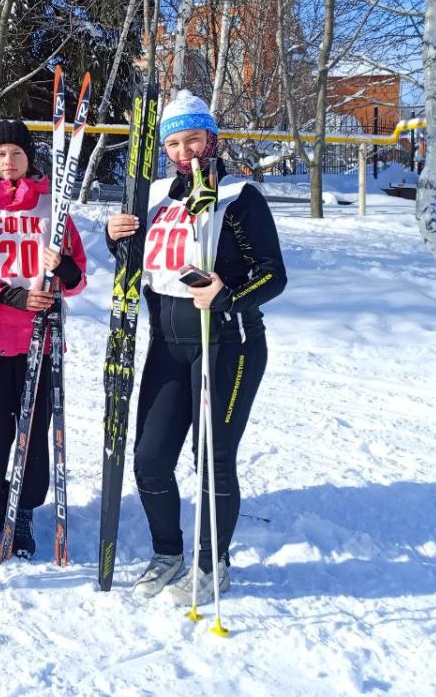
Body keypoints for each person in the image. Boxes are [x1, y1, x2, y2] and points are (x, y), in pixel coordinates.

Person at [104, 91, 286, 603]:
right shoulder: (157, 194)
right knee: (150, 460)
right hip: (167, 340)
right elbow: (138, 258)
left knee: (213, 459)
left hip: (228, 341)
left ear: (212, 139)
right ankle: (168, 552)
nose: (185, 152)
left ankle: (213, 562)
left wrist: (228, 294)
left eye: (193, 140)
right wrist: (114, 235)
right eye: (174, 144)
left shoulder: (238, 195)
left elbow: (273, 275)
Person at [0, 119, 87, 559]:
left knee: (33, 429)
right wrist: (8, 294)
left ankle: (24, 509)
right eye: (0, 154)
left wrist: (64, 269)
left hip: (39, 340)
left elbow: (78, 276)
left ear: (30, 159)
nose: (9, 162)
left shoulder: (53, 208)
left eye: (17, 153)